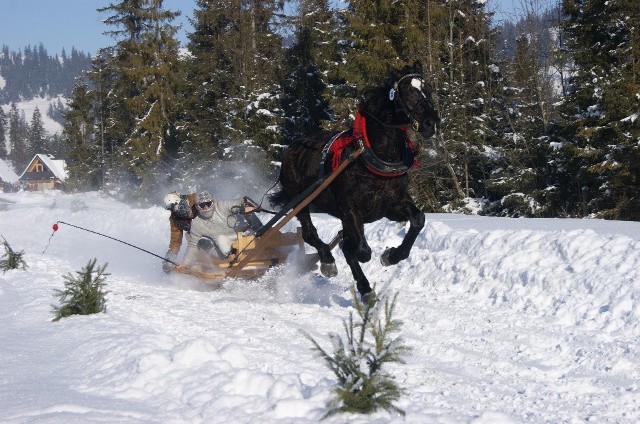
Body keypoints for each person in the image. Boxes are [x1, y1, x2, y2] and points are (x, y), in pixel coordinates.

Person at [175, 191, 262, 272]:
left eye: (208, 204)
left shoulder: (222, 206)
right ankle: (234, 261)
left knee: (249, 213)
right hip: (225, 249)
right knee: (219, 239)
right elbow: (193, 245)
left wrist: (246, 206)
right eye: (202, 205)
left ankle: (264, 233)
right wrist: (185, 262)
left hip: (243, 237)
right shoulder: (197, 223)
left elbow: (239, 202)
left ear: (213, 202)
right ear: (197, 206)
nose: (206, 208)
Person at [163, 191, 198, 272]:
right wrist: (169, 257)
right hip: (196, 236)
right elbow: (175, 240)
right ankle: (201, 262)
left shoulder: (194, 200)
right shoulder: (175, 219)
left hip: (212, 229)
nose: (175, 210)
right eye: (171, 208)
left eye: (175, 206)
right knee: (190, 236)